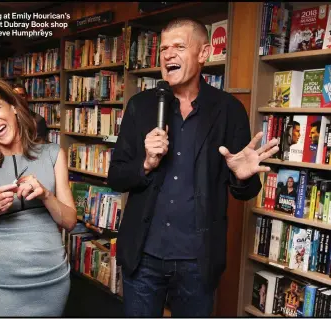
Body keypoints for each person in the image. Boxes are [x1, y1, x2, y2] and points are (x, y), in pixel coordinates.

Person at [107, 18, 279, 317]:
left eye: (179, 46)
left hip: (198, 262)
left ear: (204, 53)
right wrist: (146, 164)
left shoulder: (228, 110)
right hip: (143, 258)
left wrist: (241, 177)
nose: (168, 55)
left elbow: (245, 192)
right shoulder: (141, 106)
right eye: (163, 48)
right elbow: (116, 177)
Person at [0, 74, 77, 316]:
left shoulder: (52, 154)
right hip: (4, 282)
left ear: (13, 105)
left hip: (52, 278)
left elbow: (70, 221)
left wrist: (45, 195)